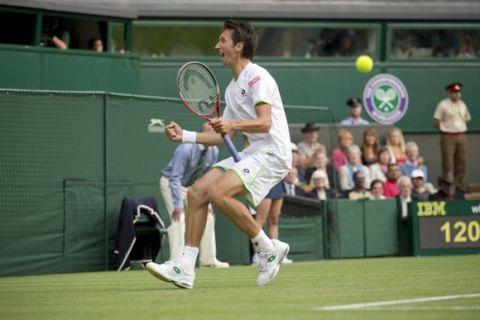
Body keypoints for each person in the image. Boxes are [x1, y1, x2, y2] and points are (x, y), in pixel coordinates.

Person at [146, 19, 291, 289]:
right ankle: (185, 267)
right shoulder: (232, 88)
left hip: (273, 153)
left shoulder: (257, 77)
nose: (217, 46)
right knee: (198, 192)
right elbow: (223, 136)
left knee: (218, 193)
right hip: (254, 152)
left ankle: (267, 249)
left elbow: (264, 122)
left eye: (222, 41)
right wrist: (185, 135)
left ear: (239, 46)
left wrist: (232, 124)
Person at [159, 122, 228, 268]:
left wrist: (207, 203)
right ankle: (176, 261)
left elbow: (205, 179)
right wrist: (178, 206)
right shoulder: (186, 149)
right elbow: (174, 178)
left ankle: (208, 260)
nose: (215, 135)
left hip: (191, 187)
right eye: (211, 131)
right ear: (203, 134)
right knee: (179, 218)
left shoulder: (214, 151)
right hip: (172, 184)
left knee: (208, 218)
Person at [433, 82, 471, 192]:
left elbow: (466, 118)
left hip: (461, 135)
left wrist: (459, 127)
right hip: (448, 136)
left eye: (459, 92)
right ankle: (448, 186)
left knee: (461, 161)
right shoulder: (443, 104)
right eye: (454, 92)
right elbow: (436, 120)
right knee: (448, 162)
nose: (457, 94)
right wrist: (444, 130)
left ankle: (459, 184)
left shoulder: (463, 104)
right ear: (449, 92)